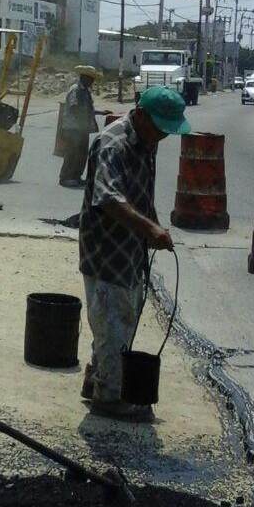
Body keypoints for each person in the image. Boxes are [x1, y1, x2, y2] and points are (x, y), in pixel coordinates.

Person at [79, 85, 191, 422]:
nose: (163, 136)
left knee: (118, 319)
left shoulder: (146, 142)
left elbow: (139, 195)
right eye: (159, 128)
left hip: (129, 251)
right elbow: (109, 199)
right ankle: (109, 397)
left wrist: (153, 224)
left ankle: (96, 378)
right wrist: (149, 230)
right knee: (113, 320)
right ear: (140, 115)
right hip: (106, 250)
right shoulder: (114, 144)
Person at [59, 65, 112, 188]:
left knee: (81, 154)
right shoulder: (75, 89)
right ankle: (66, 177)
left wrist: (101, 112)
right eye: (90, 79)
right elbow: (74, 107)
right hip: (73, 128)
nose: (92, 82)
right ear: (84, 77)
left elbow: (88, 109)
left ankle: (76, 176)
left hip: (82, 129)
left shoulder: (85, 91)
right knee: (72, 153)